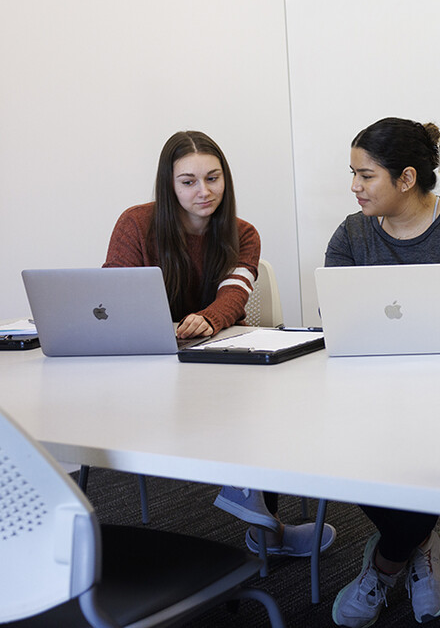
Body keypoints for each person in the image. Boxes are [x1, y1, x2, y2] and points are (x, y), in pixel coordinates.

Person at [104, 130, 335, 558]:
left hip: (220, 351)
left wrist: (208, 319)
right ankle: (253, 503)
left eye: (213, 178)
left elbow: (234, 294)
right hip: (152, 359)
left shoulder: (242, 233)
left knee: (270, 397)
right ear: (168, 184)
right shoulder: (136, 224)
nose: (204, 191)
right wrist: (169, 329)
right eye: (188, 181)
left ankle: (260, 519)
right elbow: (115, 298)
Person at [328, 117, 440, 627]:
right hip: (366, 386)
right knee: (340, 441)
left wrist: (432, 330)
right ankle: (424, 543)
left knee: (413, 442)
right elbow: (336, 311)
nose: (354, 187)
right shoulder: (351, 233)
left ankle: (387, 563)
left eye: (366, 176)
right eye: (353, 174)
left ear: (406, 178)